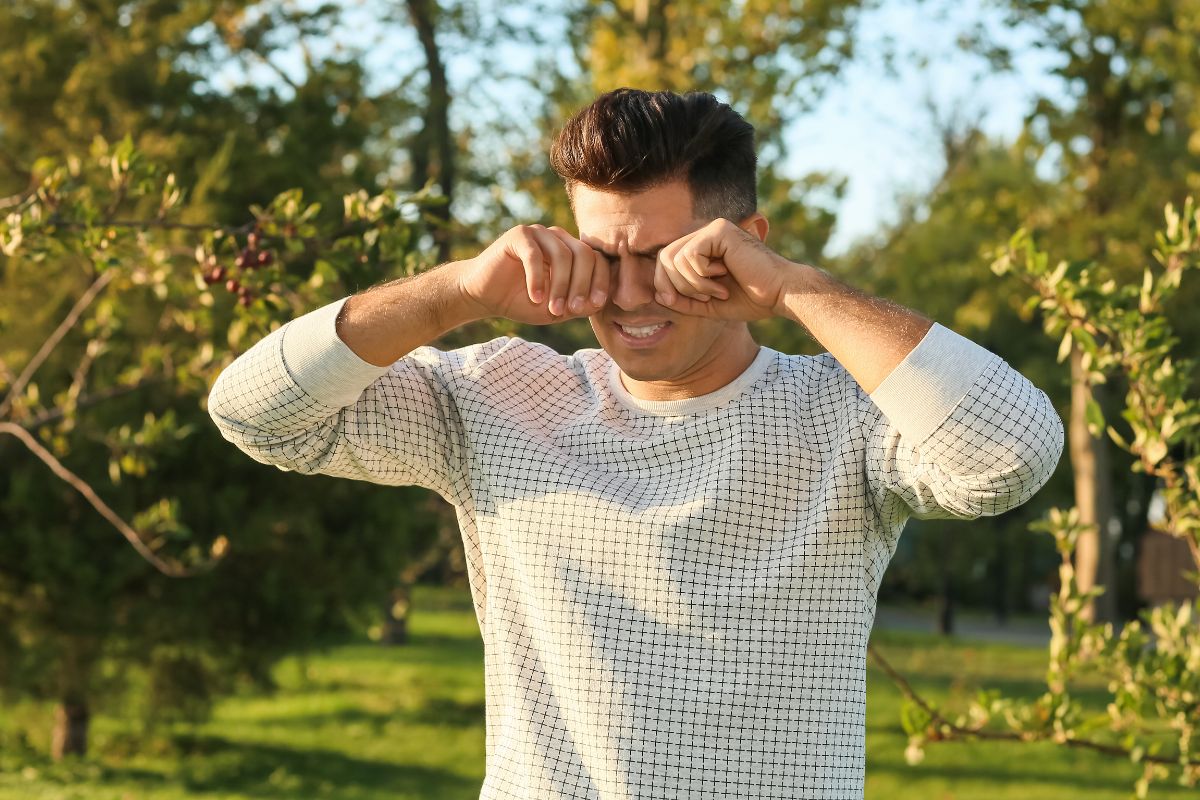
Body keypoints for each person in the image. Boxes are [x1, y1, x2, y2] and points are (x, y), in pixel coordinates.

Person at [208, 88, 1064, 799]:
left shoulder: (845, 417)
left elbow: (1010, 456)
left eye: (661, 258)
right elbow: (255, 414)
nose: (626, 296)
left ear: (743, 247)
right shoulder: (503, 396)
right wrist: (456, 292)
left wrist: (799, 291)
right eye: (602, 256)